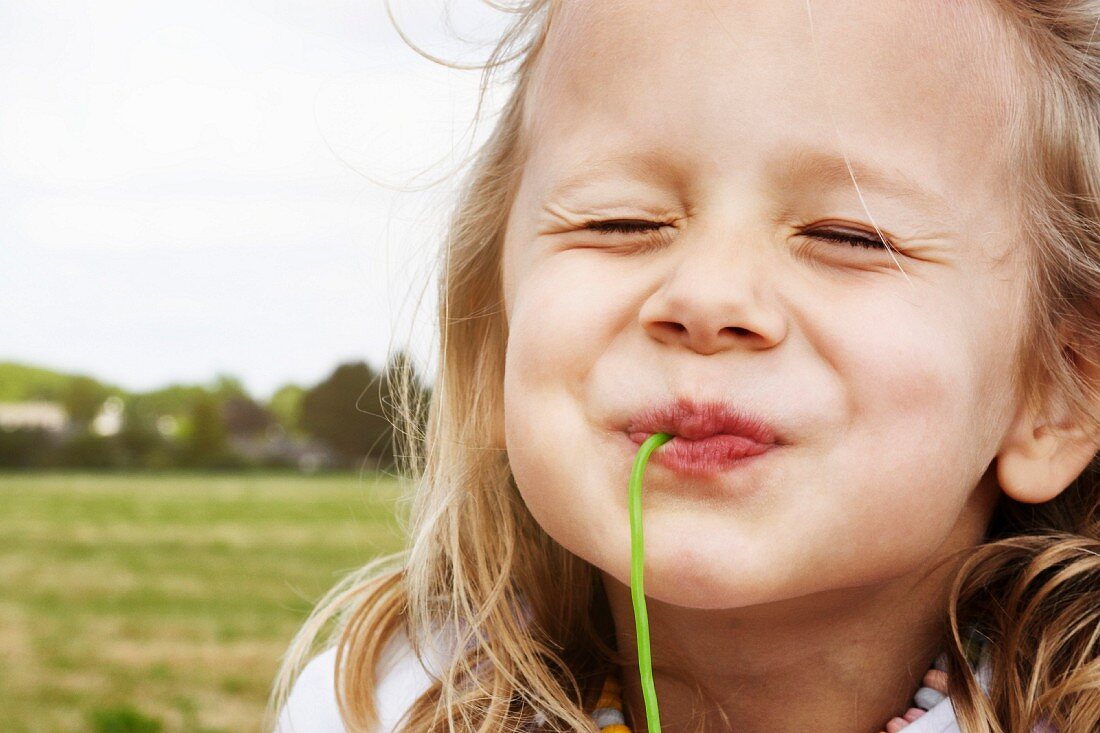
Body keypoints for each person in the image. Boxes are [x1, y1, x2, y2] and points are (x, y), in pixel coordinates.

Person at [270, 1, 1100, 731]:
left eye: (848, 237)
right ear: (495, 347)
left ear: (1060, 391)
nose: (706, 297)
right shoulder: (380, 706)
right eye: (621, 221)